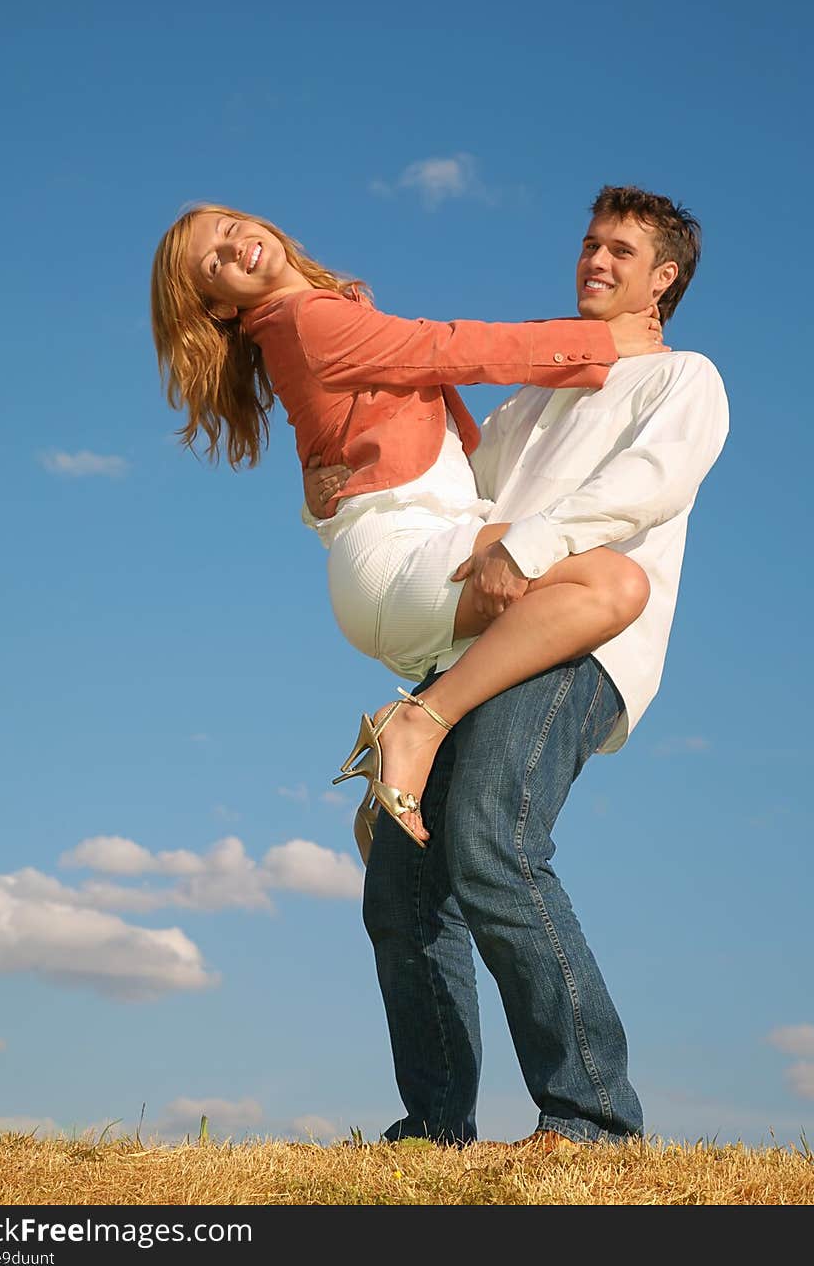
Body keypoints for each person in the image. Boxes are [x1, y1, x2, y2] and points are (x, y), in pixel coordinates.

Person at [305, 184, 729, 1148]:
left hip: (583, 639)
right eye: (589, 244)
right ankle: (436, 1124)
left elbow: (647, 487)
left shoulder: (684, 379)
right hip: (480, 646)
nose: (596, 260)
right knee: (400, 883)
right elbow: (449, 499)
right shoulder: (540, 395)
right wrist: (338, 497)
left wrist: (529, 545)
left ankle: (592, 1116)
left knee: (492, 839)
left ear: (663, 279)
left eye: (621, 250)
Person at [150, 202, 666, 859]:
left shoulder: (307, 322)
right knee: (612, 582)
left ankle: (389, 817)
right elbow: (443, 347)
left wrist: (314, 503)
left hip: (398, 557)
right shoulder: (309, 319)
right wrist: (600, 343)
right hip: (400, 554)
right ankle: (415, 727)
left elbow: (328, 450)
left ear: (262, 225)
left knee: (578, 583)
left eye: (229, 229)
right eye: (213, 264)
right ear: (220, 305)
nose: (233, 248)